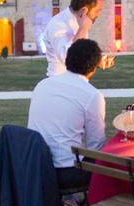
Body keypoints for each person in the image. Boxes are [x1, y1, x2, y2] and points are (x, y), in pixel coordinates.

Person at [28, 38, 106, 190]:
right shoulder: (92, 95)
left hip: (34, 167)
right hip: (65, 172)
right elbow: (96, 145)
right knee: (110, 166)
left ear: (67, 60)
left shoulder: (42, 85)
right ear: (94, 67)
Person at [42, 0, 114, 77]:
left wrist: (98, 61)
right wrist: (83, 28)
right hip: (61, 85)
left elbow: (81, 54)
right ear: (84, 11)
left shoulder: (81, 22)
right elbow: (68, 58)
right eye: (97, 10)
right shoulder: (58, 24)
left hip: (77, 82)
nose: (98, 15)